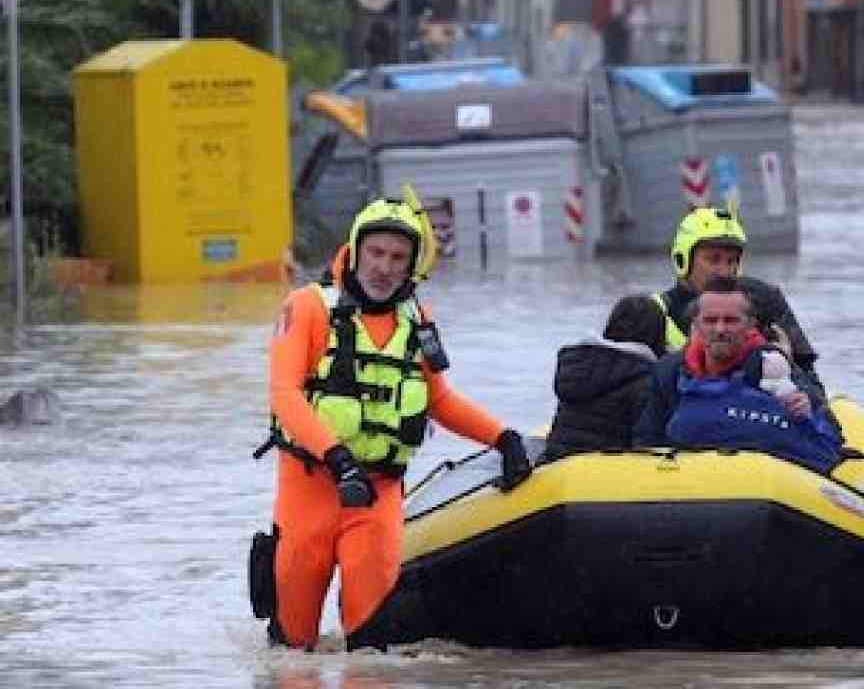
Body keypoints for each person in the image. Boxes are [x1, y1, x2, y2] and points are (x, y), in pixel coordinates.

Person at [252, 192, 532, 650]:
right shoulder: (306, 307)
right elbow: (285, 395)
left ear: (412, 265)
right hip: (310, 490)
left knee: (370, 652)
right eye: (376, 253)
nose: (384, 266)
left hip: (377, 497)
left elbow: (439, 400)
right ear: (356, 249)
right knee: (293, 651)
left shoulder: (418, 321)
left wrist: (503, 438)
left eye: (397, 257)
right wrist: (339, 460)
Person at [638, 276, 843, 472]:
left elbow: (830, 441)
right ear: (696, 325)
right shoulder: (669, 372)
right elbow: (647, 443)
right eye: (710, 320)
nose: (720, 329)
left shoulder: (774, 367)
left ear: (750, 326)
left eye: (730, 320)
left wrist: (806, 413)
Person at [604, 206, 820, 377]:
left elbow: (811, 385)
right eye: (713, 260)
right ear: (683, 259)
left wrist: (785, 365)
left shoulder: (765, 303)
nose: (725, 271)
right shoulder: (646, 315)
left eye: (732, 261)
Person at [536, 299, 664, 463]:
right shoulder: (647, 380)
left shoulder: (579, 366)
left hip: (557, 463)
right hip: (605, 472)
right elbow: (646, 443)